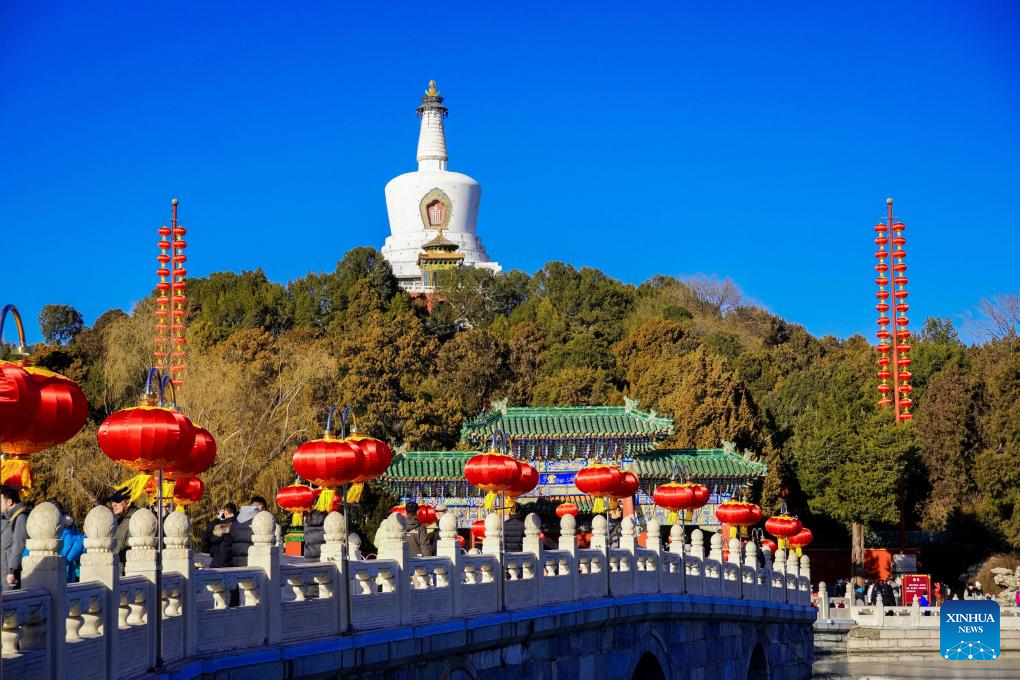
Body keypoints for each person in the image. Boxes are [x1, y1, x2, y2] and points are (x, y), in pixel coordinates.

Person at [0, 485, 29, 591]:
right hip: (3, 569)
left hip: (10, 574)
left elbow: (19, 545)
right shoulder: (6, 517)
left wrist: (12, 571)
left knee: (10, 604)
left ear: (9, 502)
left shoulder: (21, 517)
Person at [202, 503, 237, 568]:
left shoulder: (221, 526)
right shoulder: (239, 523)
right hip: (236, 561)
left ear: (225, 512)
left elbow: (210, 539)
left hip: (222, 561)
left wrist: (217, 520)